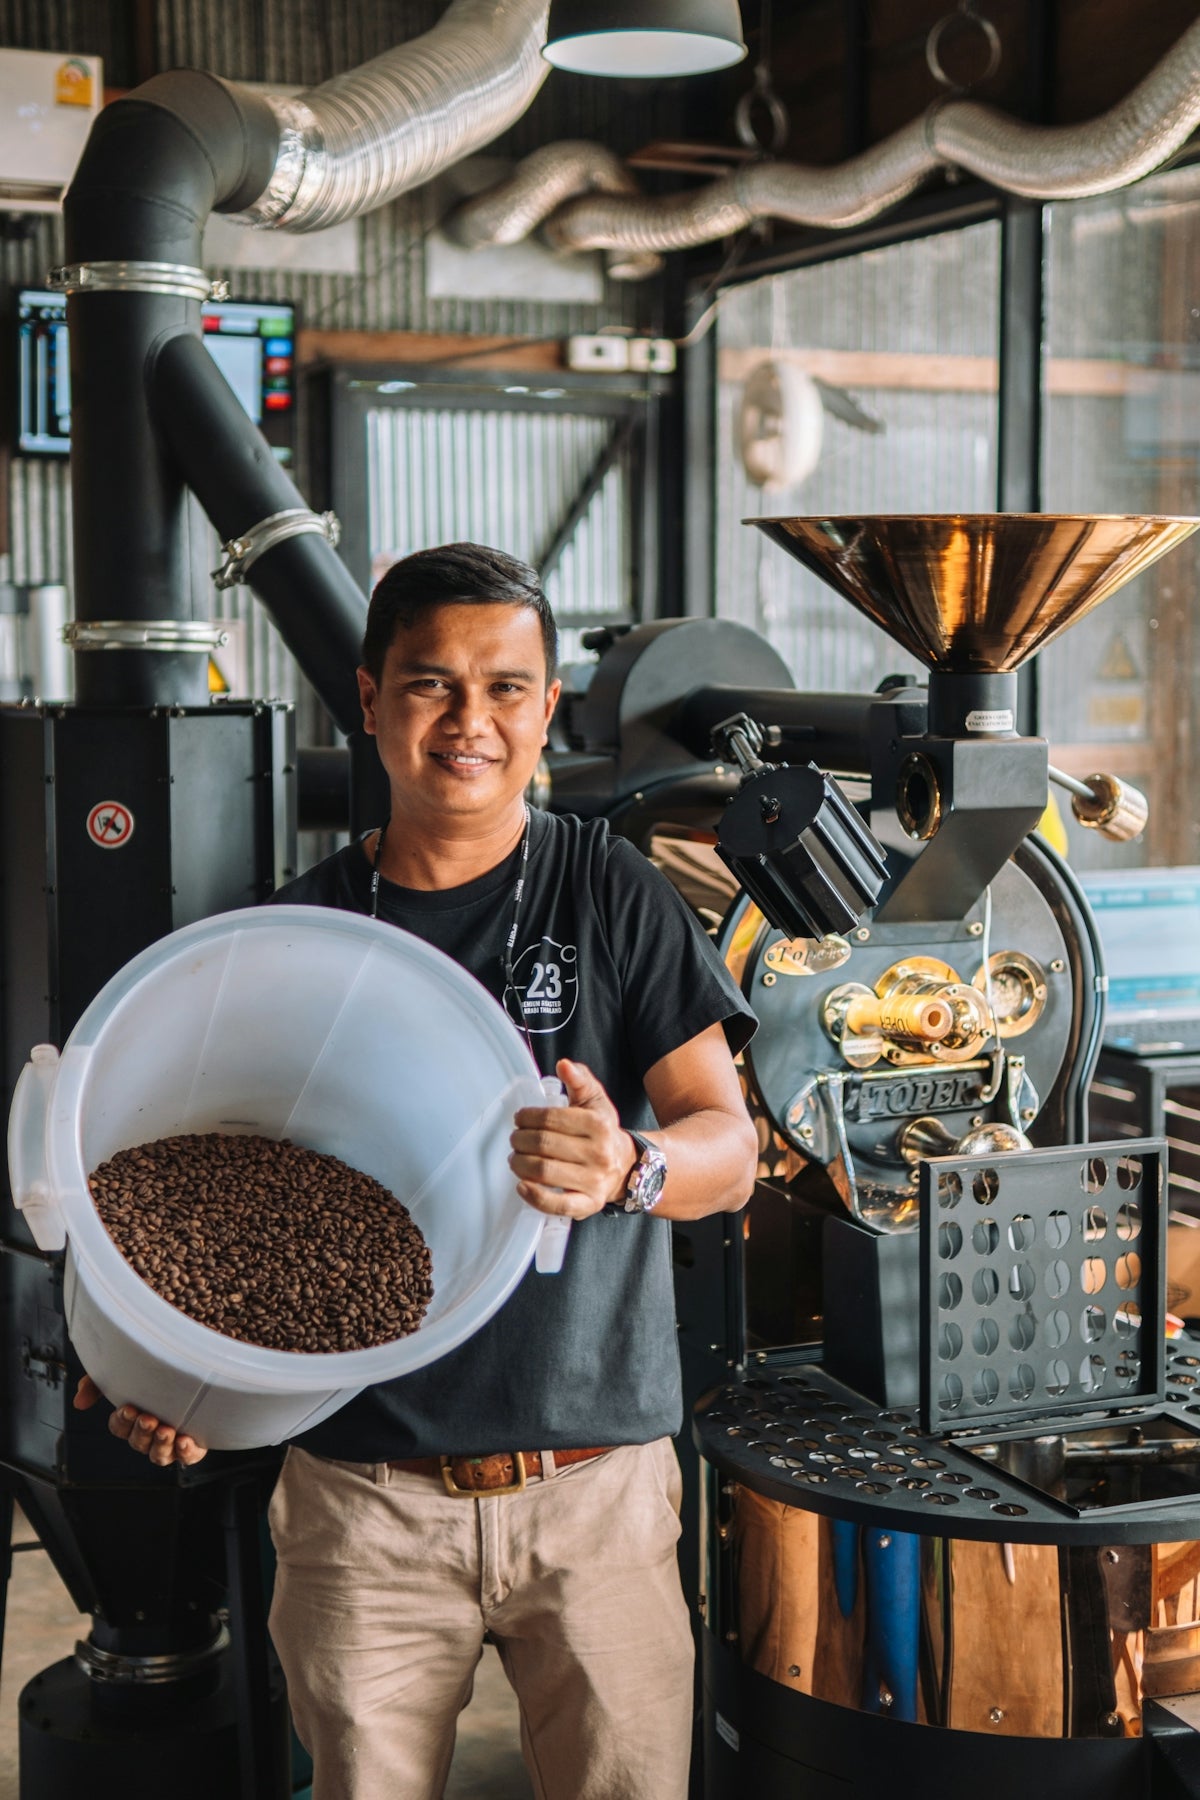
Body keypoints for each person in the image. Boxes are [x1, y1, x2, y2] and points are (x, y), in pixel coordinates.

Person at [77, 542, 758, 1800]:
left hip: (593, 1494)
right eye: (433, 684)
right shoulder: (297, 938)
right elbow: (224, 1210)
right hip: (363, 1507)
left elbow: (732, 1144)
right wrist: (177, 1371)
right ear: (372, 699)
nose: (471, 720)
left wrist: (632, 1165)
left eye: (507, 688)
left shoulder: (608, 892)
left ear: (548, 708)